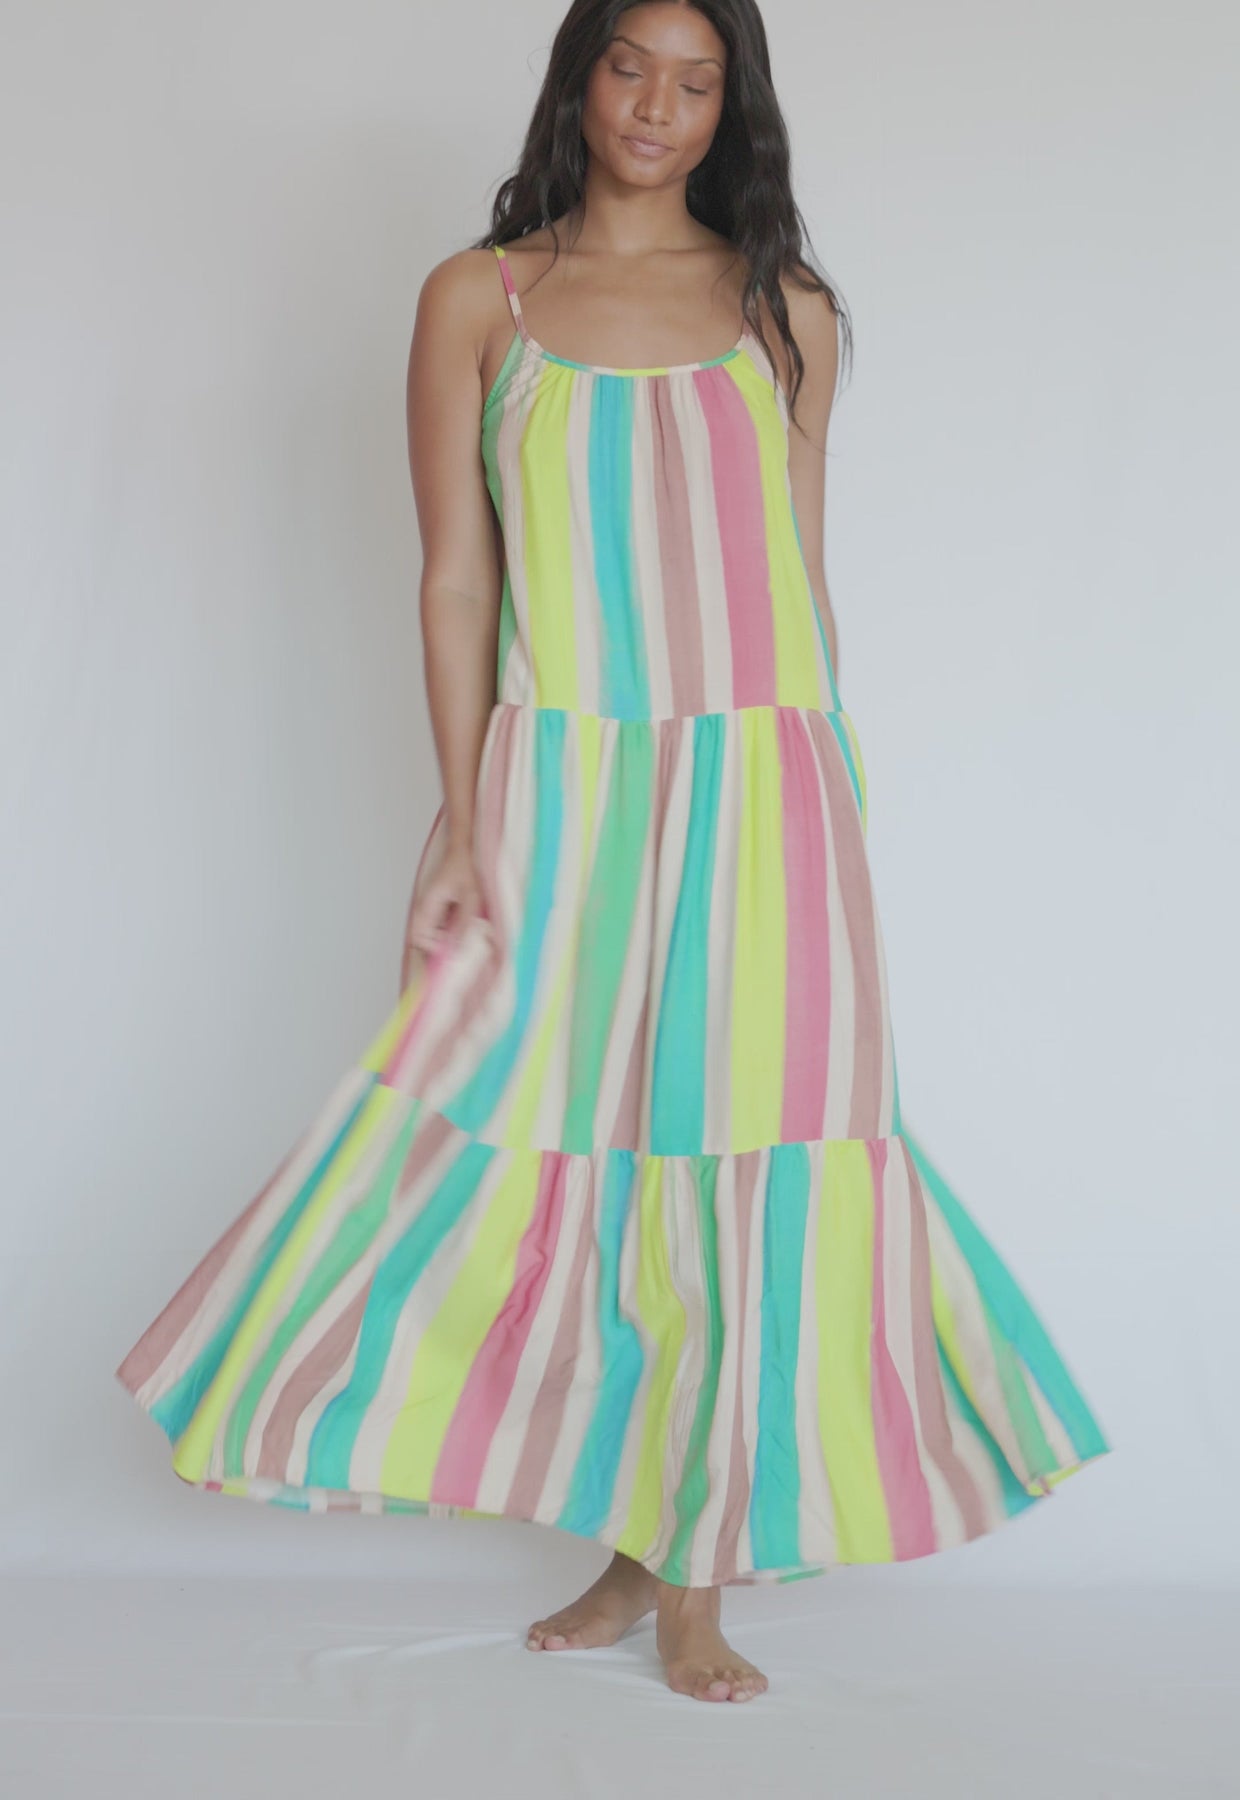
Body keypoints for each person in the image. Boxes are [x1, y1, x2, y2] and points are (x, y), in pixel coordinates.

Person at [115, 0, 1111, 1706]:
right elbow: (453, 580)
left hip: (765, 798)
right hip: (558, 788)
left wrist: (827, 800)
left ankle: (693, 1584)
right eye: (630, 67)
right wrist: (460, 807)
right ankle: (612, 1528)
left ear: (737, 108)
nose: (658, 105)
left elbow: (802, 577)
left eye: (697, 79)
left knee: (741, 1162)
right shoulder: (475, 298)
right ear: (580, 82)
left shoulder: (782, 310)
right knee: (525, 1132)